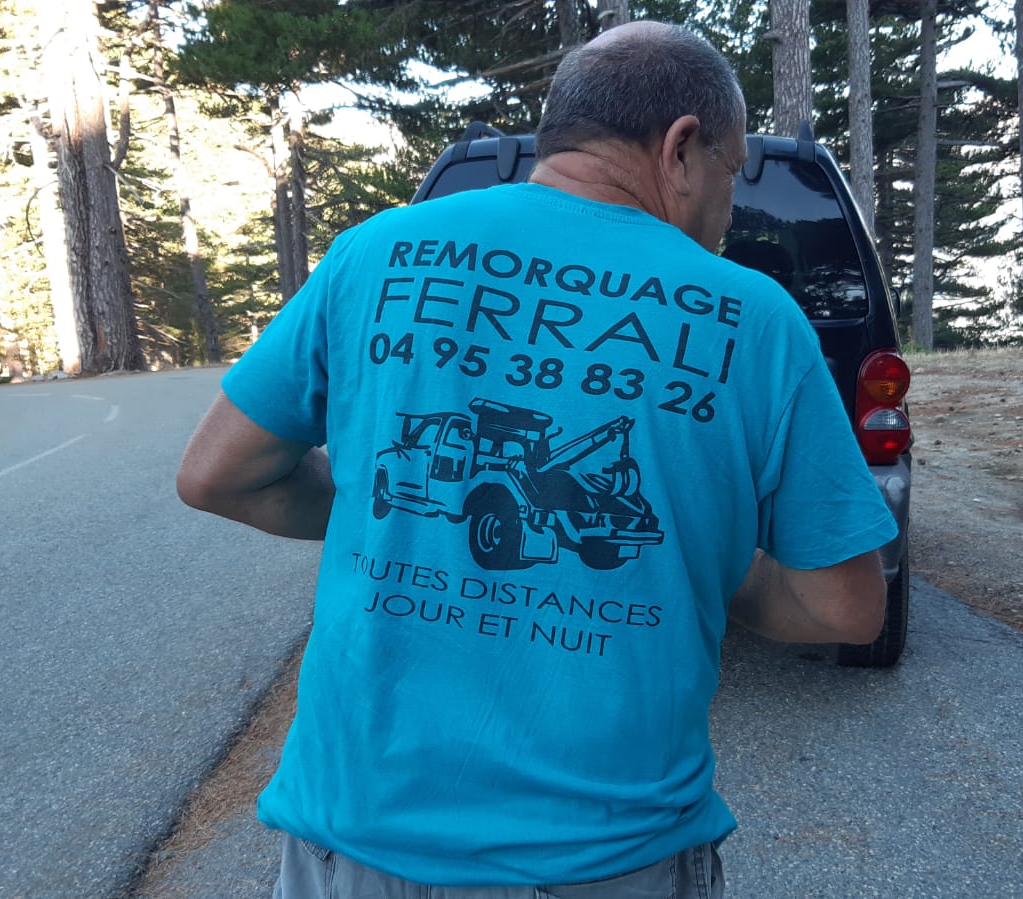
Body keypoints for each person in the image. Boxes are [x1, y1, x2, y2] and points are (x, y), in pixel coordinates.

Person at [176, 19, 898, 899]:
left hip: (353, 842)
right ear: (679, 147)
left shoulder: (377, 253)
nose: (729, 200)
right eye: (730, 167)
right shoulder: (754, 317)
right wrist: (706, 561)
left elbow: (215, 474)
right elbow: (844, 606)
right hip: (606, 858)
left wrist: (387, 512)